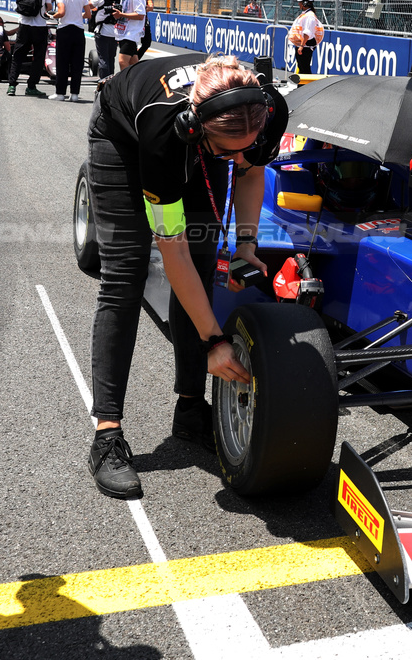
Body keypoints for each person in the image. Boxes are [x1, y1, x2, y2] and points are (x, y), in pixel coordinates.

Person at [84, 53, 274, 498]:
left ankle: (191, 411)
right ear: (197, 130)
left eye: (250, 143)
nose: (242, 156)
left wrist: (246, 243)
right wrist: (214, 339)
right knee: (124, 278)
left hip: (205, 138)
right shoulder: (162, 134)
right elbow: (173, 253)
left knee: (205, 262)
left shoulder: (260, 111)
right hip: (124, 137)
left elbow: (249, 172)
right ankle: (107, 434)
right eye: (233, 151)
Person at [6, 0, 53, 97]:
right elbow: (49, 7)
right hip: (40, 26)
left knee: (18, 56)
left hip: (24, 26)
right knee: (38, 58)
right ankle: (31, 86)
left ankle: (11, 85)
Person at [52, 0, 91, 102]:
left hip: (64, 30)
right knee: (77, 64)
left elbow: (61, 12)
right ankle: (74, 94)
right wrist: (78, 16)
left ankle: (60, 93)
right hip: (79, 31)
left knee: (62, 63)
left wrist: (52, 15)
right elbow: (89, 14)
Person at [112, 0, 148, 72]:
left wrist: (121, 15)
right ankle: (137, 85)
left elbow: (141, 15)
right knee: (133, 63)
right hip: (125, 32)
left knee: (123, 61)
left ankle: (126, 86)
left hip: (131, 33)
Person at [89, 0, 121, 91]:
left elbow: (89, 5)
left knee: (103, 59)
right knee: (111, 58)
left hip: (102, 31)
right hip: (116, 32)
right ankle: (110, 84)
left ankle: (103, 86)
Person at [288, 0, 324, 74]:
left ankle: (306, 86)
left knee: (305, 69)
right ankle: (301, 86)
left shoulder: (310, 16)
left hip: (305, 46)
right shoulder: (305, 14)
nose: (298, 4)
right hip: (303, 45)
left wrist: (301, 46)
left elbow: (307, 33)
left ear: (304, 3)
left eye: (300, 2)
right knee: (302, 68)